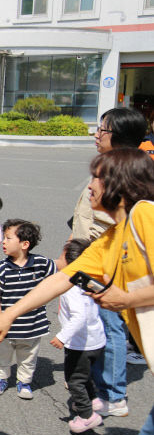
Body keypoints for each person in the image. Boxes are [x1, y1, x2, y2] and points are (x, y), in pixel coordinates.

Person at [0, 148, 154, 435]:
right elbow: (60, 279)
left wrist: (127, 300)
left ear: (122, 183)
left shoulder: (146, 214)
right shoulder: (110, 239)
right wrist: (7, 314)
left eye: (97, 178)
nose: (90, 186)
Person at [68, 107, 149, 416]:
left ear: (121, 136)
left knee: (111, 323)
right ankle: (92, 379)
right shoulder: (106, 164)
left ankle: (113, 393)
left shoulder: (130, 173)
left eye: (102, 130)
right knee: (92, 317)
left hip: (109, 259)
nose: (96, 135)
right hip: (88, 252)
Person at [0, 219, 56, 399]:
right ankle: (2, 378)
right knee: (2, 357)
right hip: (7, 326)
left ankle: (24, 381)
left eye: (8, 238)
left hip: (32, 325)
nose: (3, 242)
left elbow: (58, 275)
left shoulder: (41, 263)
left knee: (28, 357)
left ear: (25, 244)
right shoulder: (3, 268)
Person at [51, 238, 106, 434]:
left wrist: (62, 336)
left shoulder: (70, 287)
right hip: (96, 340)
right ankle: (94, 401)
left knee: (74, 380)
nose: (59, 259)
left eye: (62, 256)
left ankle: (86, 416)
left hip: (81, 344)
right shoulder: (88, 280)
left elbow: (79, 316)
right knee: (85, 375)